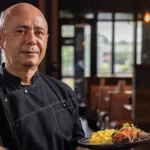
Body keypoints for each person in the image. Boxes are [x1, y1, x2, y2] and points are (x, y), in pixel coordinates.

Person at [0, 3, 88, 150]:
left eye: (39, 33)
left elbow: (78, 145)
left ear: (46, 41)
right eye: (21, 31)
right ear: (1, 40)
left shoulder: (64, 92)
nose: (32, 40)